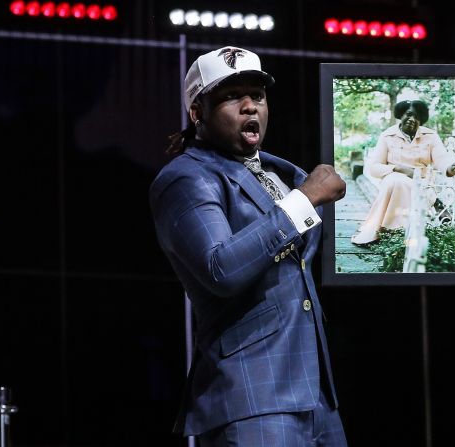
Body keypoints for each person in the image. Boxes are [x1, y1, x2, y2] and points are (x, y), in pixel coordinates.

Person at [149, 46, 348, 446]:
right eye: (230, 97)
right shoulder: (185, 179)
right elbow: (221, 269)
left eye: (256, 96)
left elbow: (382, 209)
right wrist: (302, 201)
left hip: (316, 396)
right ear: (197, 112)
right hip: (252, 395)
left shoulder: (280, 173)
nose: (248, 106)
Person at [350, 99, 455, 245]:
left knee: (403, 185)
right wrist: (398, 168)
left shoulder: (430, 136)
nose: (412, 119)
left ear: (421, 120)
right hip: (392, 179)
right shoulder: (387, 136)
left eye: (417, 117)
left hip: (422, 183)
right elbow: (374, 168)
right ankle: (395, 232)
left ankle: (395, 233)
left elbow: (442, 158)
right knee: (396, 181)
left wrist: (450, 168)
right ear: (400, 115)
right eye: (408, 115)